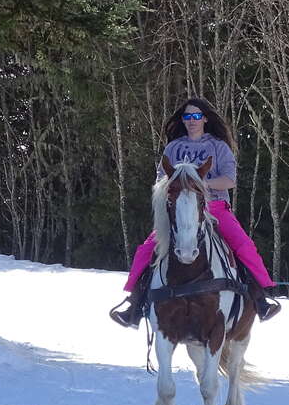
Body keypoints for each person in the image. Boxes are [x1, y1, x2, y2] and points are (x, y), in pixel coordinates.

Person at [109, 97, 280, 326]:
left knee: (243, 244)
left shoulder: (219, 146)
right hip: (178, 209)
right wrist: (177, 189)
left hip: (213, 206)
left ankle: (261, 298)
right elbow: (161, 179)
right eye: (187, 116)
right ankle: (135, 303)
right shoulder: (173, 148)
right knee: (147, 249)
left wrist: (199, 185)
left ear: (205, 118)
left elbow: (229, 180)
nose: (192, 120)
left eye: (196, 116)